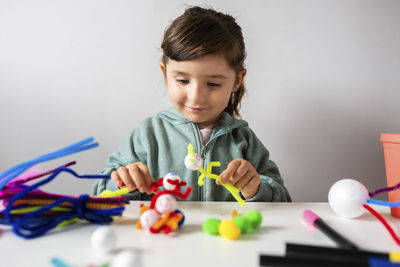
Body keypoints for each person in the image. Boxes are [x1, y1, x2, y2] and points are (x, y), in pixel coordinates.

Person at [93, 6, 291, 202]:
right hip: (163, 232)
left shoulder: (242, 139)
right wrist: (122, 183)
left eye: (213, 83)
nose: (196, 97)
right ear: (165, 73)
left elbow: (283, 201)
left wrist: (255, 189)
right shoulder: (148, 136)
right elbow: (99, 193)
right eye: (182, 81)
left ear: (237, 81)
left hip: (225, 234)